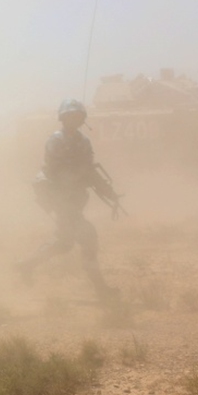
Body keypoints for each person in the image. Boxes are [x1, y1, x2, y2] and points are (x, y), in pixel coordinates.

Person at [17, 99, 119, 299]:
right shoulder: (56, 140)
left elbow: (89, 170)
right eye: (71, 116)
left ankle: (26, 265)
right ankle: (101, 289)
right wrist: (76, 176)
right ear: (63, 118)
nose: (75, 120)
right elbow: (56, 170)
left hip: (73, 197)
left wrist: (109, 193)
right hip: (59, 197)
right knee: (88, 236)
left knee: (64, 243)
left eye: (78, 116)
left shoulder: (83, 141)